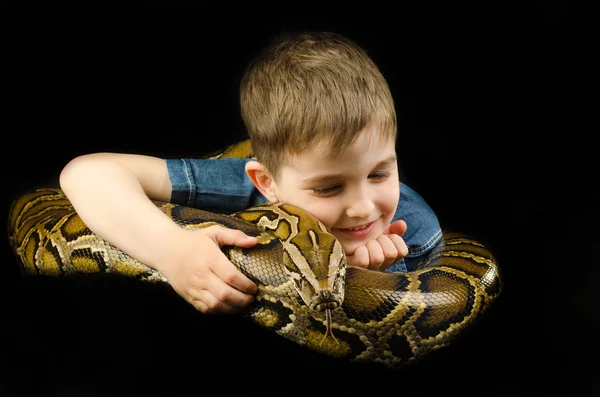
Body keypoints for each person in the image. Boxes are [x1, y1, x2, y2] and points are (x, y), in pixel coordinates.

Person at [59, 31, 442, 316]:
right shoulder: (240, 183)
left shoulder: (417, 230)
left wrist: (371, 281)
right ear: (266, 183)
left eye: (379, 174)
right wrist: (171, 250)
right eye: (328, 188)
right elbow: (87, 173)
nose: (362, 208)